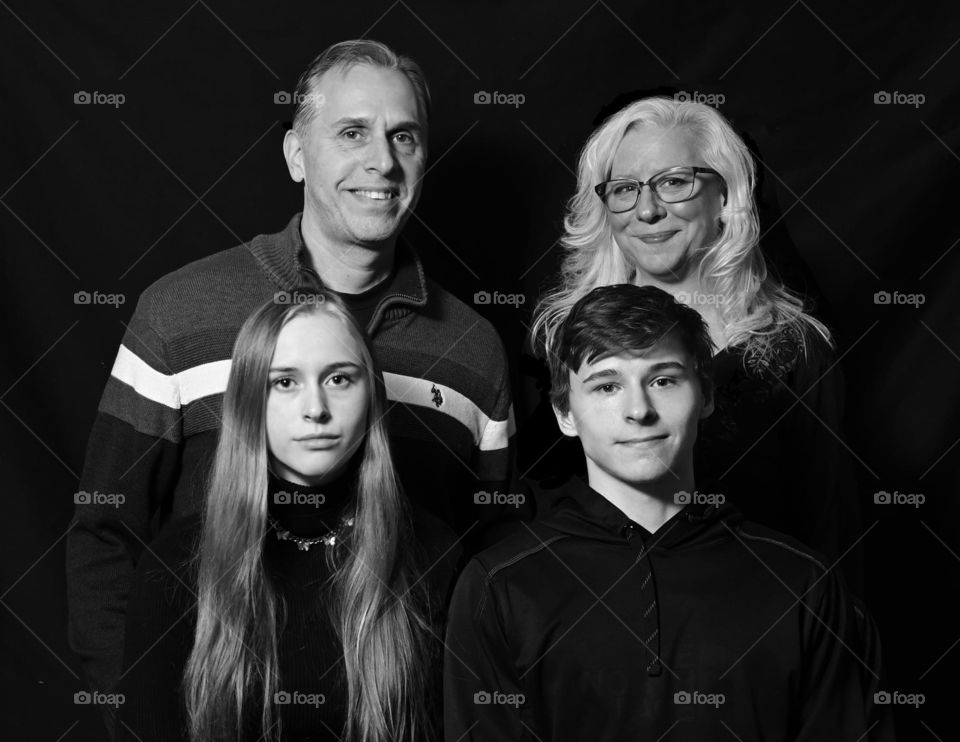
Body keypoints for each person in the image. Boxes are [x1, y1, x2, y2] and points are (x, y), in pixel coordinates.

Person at [67, 39, 516, 731]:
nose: (382, 161)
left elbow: (493, 566)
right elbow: (107, 536)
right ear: (297, 155)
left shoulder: (474, 349)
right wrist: (134, 713)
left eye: (404, 135)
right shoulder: (180, 313)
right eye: (352, 132)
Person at [445, 284, 891, 741]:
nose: (638, 410)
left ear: (707, 395)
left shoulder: (803, 585)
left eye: (663, 380)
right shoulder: (500, 586)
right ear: (565, 413)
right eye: (607, 385)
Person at [530, 96, 862, 586]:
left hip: (754, 626)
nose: (647, 210)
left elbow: (828, 529)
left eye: (673, 182)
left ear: (725, 194)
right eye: (625, 188)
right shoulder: (562, 339)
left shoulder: (794, 349)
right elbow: (537, 512)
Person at [116, 290, 457, 741]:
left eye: (339, 379)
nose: (315, 409)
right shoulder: (178, 564)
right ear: (248, 400)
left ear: (372, 395)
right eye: (285, 382)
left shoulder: (436, 556)